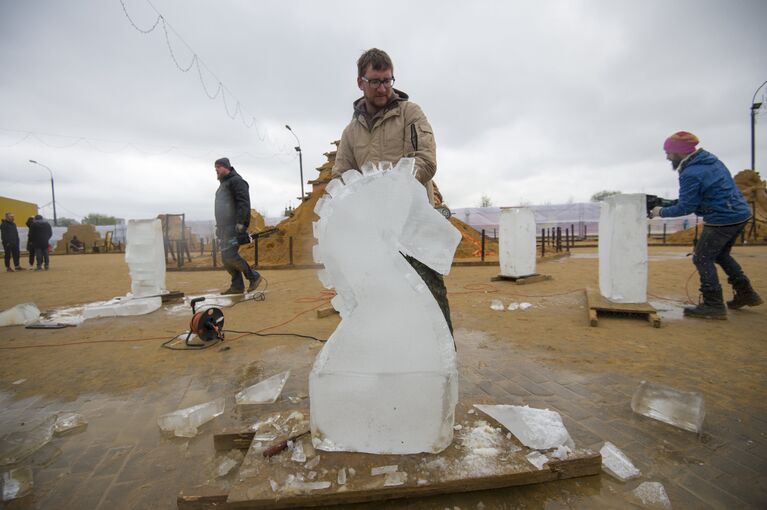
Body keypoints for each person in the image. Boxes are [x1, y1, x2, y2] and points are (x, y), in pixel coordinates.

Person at [331, 48, 454, 334]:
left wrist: (392, 192)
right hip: (375, 234)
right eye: (375, 81)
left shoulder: (411, 114)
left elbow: (426, 160)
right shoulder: (351, 132)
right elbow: (340, 177)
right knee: (384, 300)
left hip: (415, 226)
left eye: (388, 80)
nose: (384, 88)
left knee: (431, 297)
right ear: (360, 82)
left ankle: (446, 368)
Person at [650, 131, 763, 318]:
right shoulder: (711, 162)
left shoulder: (691, 172)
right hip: (739, 213)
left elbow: (687, 207)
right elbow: (700, 196)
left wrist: (659, 212)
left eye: (669, 152)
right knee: (721, 255)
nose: (667, 156)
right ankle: (746, 293)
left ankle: (713, 304)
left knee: (702, 257)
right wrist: (670, 203)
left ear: (679, 152)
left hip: (722, 218)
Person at [214, 157, 262, 294]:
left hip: (233, 226)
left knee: (229, 254)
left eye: (218, 167)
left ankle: (253, 276)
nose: (216, 170)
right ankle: (237, 286)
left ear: (226, 167)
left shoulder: (237, 181)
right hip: (225, 228)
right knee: (225, 257)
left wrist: (241, 224)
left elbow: (243, 203)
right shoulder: (224, 185)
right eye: (215, 168)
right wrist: (219, 228)